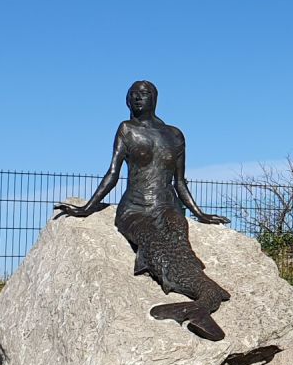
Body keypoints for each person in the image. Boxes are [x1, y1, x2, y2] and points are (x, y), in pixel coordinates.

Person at [56, 80, 232, 341]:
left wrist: (200, 214)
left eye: (144, 93)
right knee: (154, 242)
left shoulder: (175, 135)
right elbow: (113, 174)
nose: (138, 97)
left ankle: (204, 299)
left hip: (167, 206)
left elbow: (179, 182)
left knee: (179, 238)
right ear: (128, 100)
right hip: (135, 210)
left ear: (155, 98)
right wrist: (86, 209)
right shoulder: (126, 129)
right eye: (133, 94)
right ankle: (206, 299)